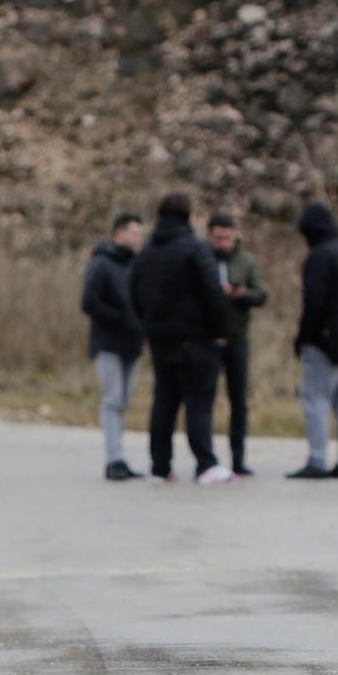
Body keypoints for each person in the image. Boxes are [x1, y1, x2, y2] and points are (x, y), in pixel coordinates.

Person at [129, 193, 233, 485]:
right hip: (196, 339)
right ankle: (206, 464)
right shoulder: (195, 249)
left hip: (160, 340)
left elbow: (134, 293)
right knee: (199, 402)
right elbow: (213, 293)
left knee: (164, 401)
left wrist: (149, 326)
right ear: (188, 216)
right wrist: (219, 331)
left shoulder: (147, 252)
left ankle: (160, 467)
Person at [288, 202, 338, 480]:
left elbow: (314, 303)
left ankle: (317, 460)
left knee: (316, 399)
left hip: (324, 340)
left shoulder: (319, 258)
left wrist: (303, 338)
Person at [82, 212, 146, 480]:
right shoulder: (101, 263)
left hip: (133, 342)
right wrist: (120, 318)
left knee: (123, 401)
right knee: (112, 399)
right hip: (108, 342)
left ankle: (120, 456)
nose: (139, 238)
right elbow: (89, 302)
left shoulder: (138, 265)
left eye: (141, 233)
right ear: (119, 233)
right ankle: (113, 459)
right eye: (134, 233)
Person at [207, 213, 267, 476]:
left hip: (237, 337)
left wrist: (242, 294)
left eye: (228, 238)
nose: (224, 243)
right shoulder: (203, 259)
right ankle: (207, 459)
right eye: (219, 238)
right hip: (208, 339)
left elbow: (260, 294)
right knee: (204, 400)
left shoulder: (246, 262)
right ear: (210, 236)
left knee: (238, 401)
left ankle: (238, 459)